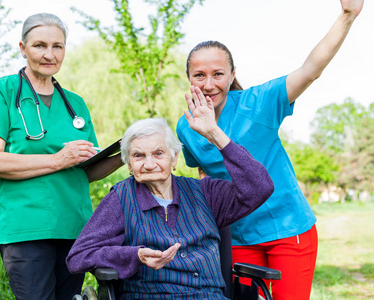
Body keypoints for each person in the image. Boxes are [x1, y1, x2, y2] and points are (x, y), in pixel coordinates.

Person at [176, 1, 364, 299]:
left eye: (218, 74)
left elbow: (310, 69)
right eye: (199, 75)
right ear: (189, 78)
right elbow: (204, 174)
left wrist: (347, 16)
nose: (209, 84)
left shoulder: (260, 102)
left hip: (288, 230)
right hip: (238, 238)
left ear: (233, 73)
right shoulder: (186, 127)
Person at [0, 13, 123, 300]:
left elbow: (85, 171)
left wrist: (126, 153)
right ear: (22, 48)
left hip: (74, 229)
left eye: (58, 46)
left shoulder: (75, 104)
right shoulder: (1, 93)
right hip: (26, 229)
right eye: (40, 45)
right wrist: (58, 159)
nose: (49, 54)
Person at [66, 95, 275, 300]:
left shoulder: (205, 192)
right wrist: (134, 256)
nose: (149, 164)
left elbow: (260, 187)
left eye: (158, 153)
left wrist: (214, 134)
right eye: (138, 156)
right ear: (129, 165)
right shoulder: (120, 199)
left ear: (174, 158)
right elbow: (78, 257)